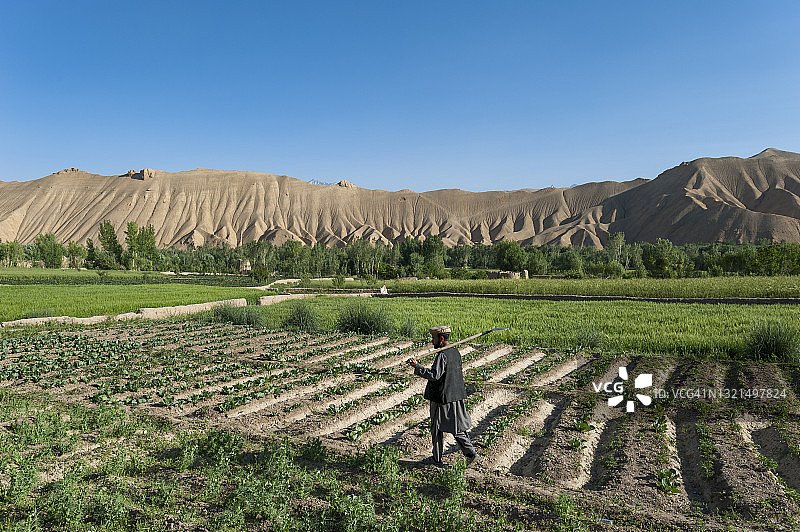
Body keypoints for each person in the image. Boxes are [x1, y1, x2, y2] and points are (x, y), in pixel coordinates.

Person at [406, 325, 477, 466]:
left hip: (442, 398)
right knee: (456, 427)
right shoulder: (455, 352)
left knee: (437, 428)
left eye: (434, 338)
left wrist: (417, 367)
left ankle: (437, 458)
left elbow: (434, 375)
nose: (432, 341)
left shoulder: (442, 355)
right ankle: (469, 454)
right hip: (455, 395)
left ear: (441, 338)